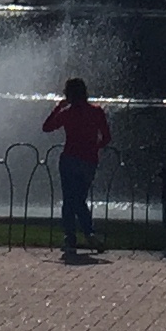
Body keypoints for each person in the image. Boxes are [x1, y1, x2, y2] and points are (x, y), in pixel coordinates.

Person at [44, 78, 110, 260]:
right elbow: (106, 137)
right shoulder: (97, 112)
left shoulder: (67, 113)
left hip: (70, 158)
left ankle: (71, 236)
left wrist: (58, 107)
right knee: (79, 198)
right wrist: (95, 147)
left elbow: (47, 127)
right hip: (89, 161)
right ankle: (89, 234)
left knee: (69, 199)